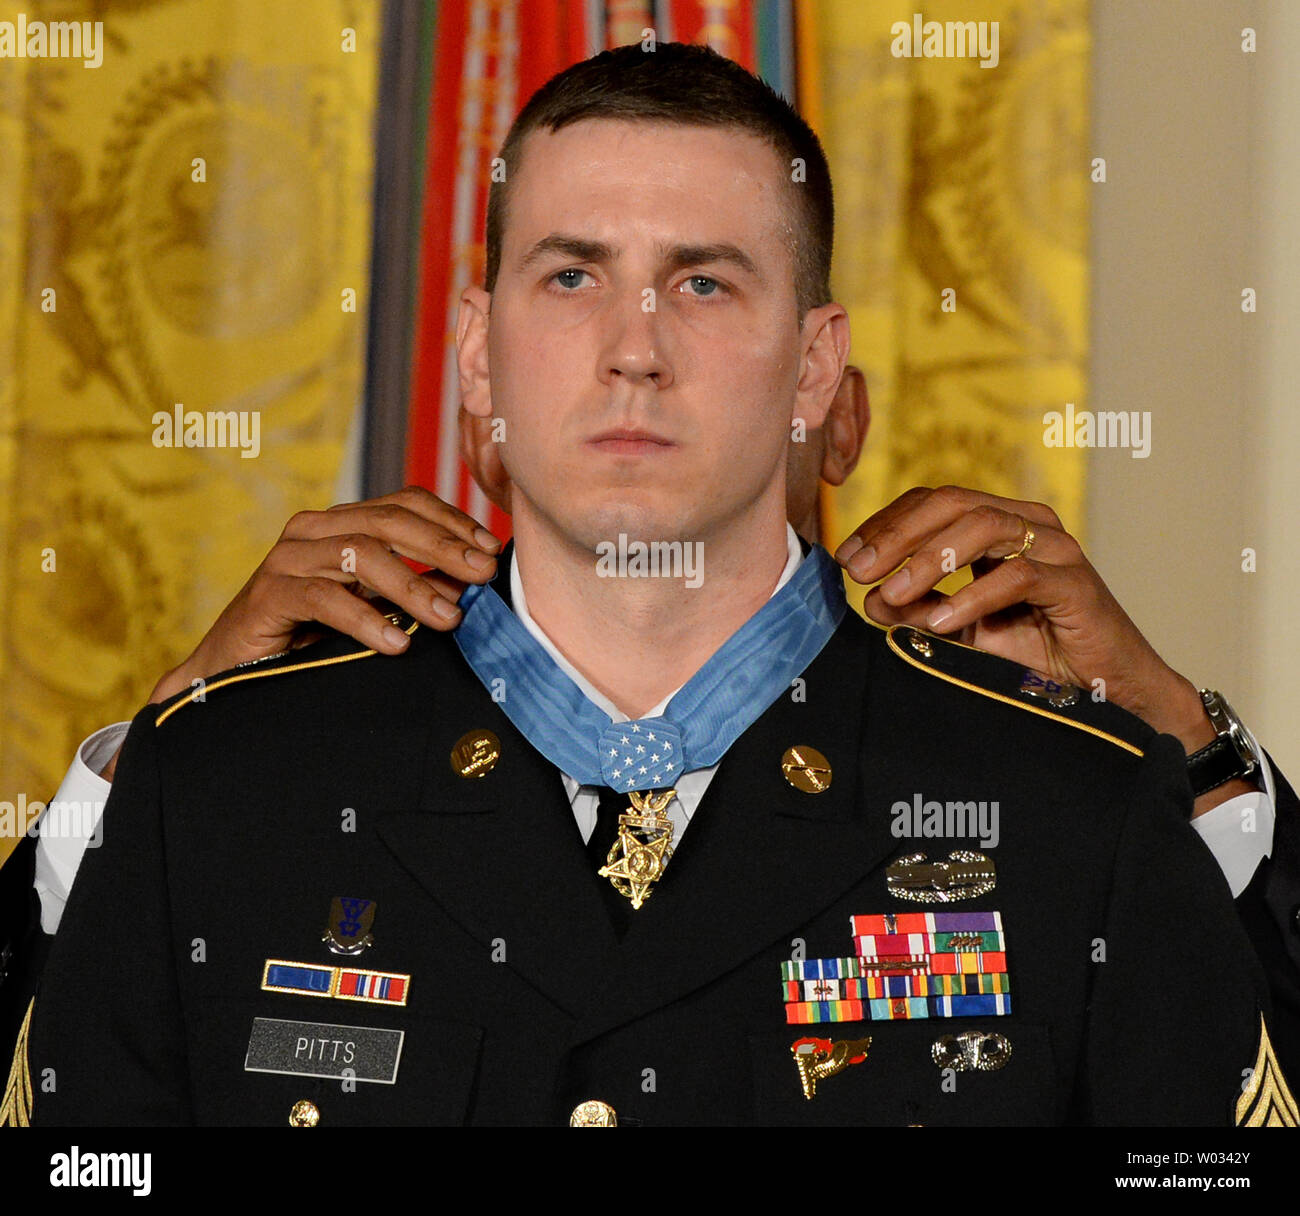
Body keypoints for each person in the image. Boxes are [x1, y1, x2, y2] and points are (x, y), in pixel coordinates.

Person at [3, 42, 1296, 1127]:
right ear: (477, 354)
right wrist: (171, 751)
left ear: (813, 366)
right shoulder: (227, 786)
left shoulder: (1078, 800)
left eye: (704, 283)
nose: (634, 349)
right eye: (571, 276)